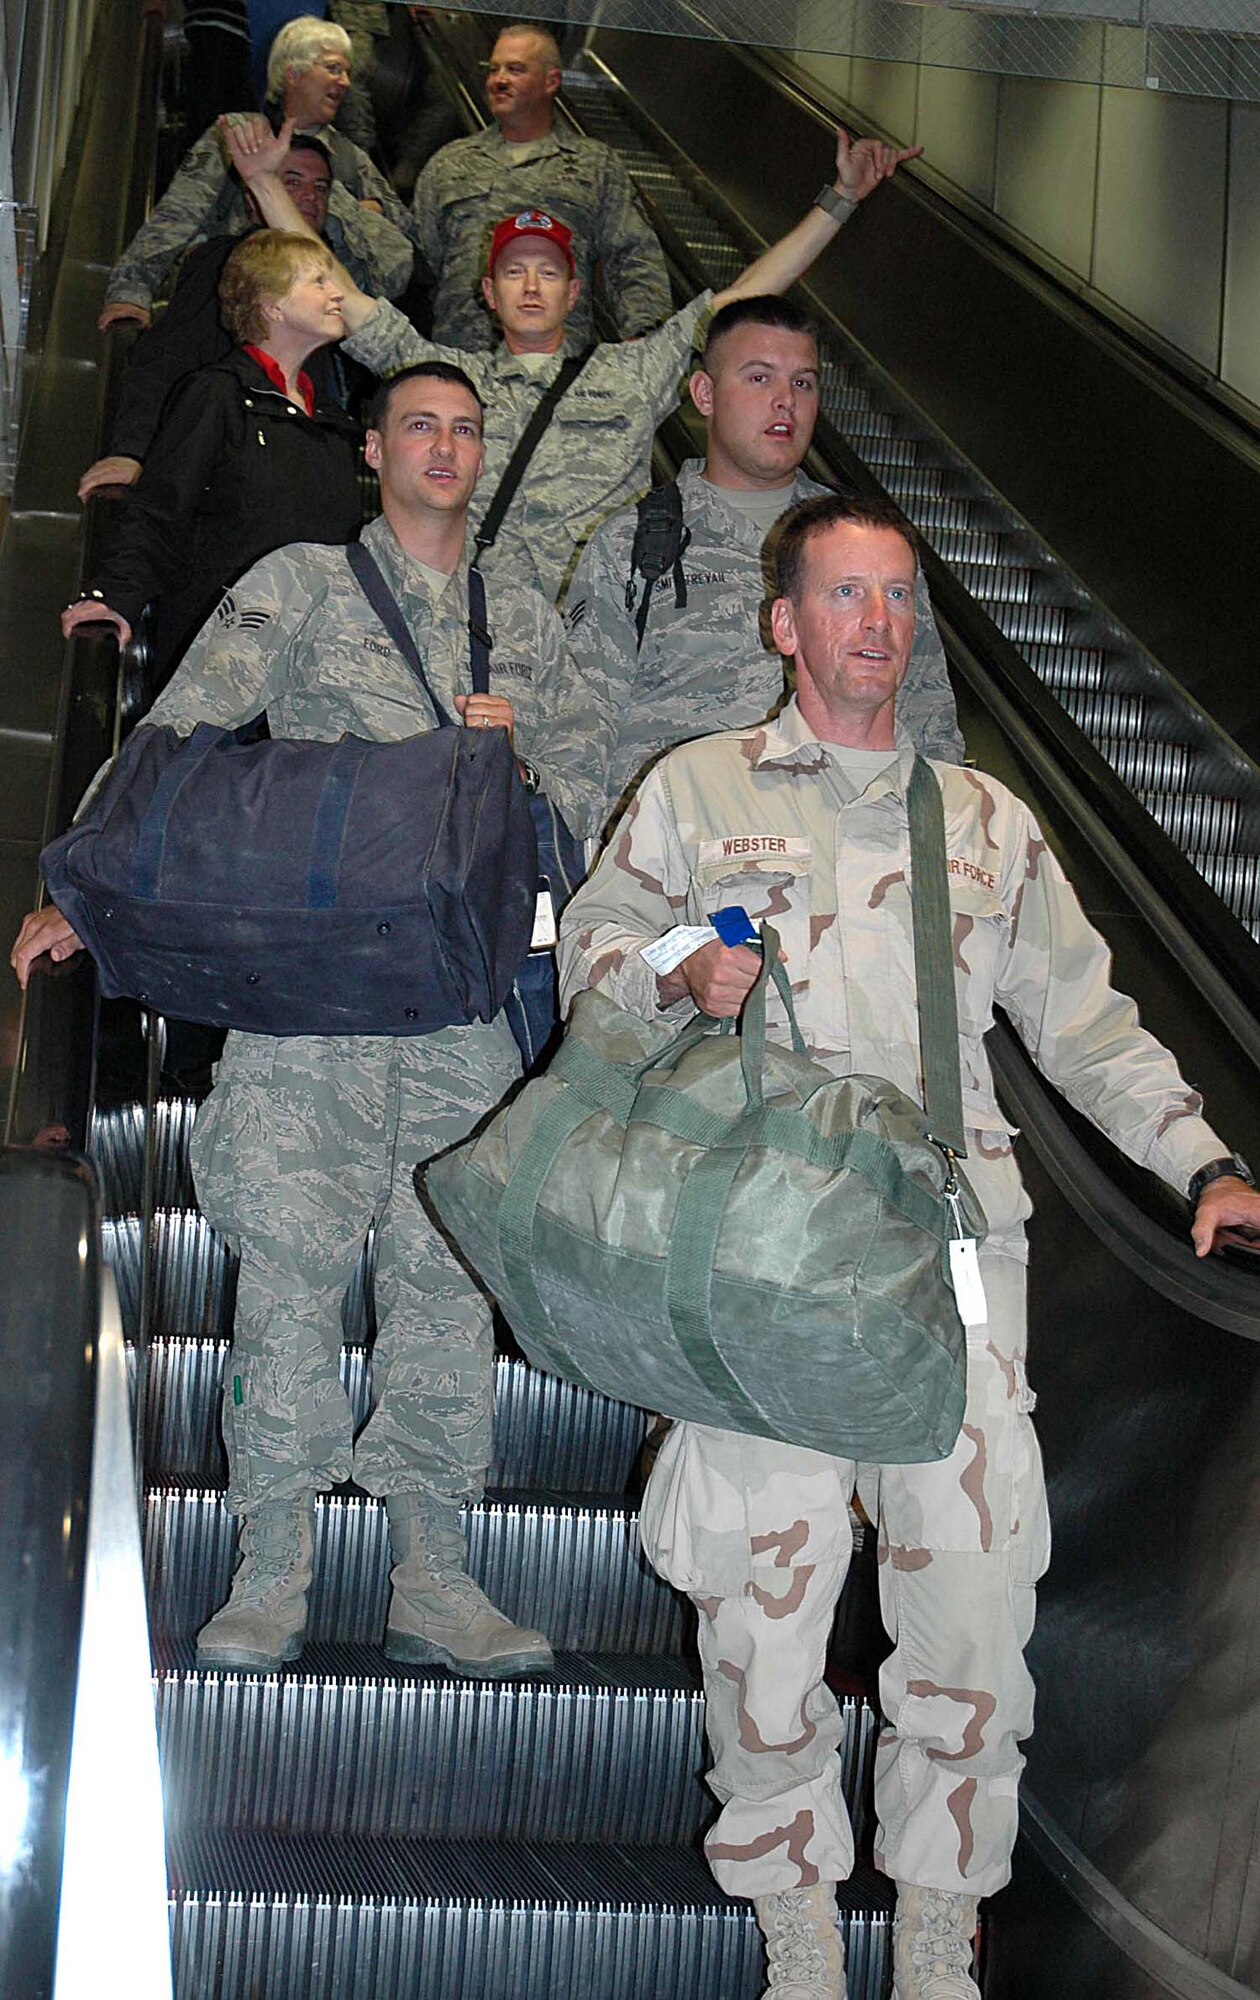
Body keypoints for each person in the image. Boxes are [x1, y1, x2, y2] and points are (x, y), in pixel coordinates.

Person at [554, 490, 1260, 2000]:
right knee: (761, 1617)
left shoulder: (987, 820)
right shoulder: (697, 788)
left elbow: (1086, 1023)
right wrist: (686, 964)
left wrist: (1202, 1158)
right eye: (845, 595)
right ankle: (797, 1930)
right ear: (784, 622)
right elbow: (591, 947)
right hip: (756, 1267)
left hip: (947, 1272)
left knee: (974, 1618)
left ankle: (940, 1930)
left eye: (895, 595)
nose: (876, 621)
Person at [15, 361, 608, 1681]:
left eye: (465, 430)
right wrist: (85, 887)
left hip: (459, 1010)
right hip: (307, 1004)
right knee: (284, 1275)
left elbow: (599, 792)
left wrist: (522, 762)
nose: (445, 449)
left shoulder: (521, 615)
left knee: (446, 1288)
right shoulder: (300, 583)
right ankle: (267, 1569)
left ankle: (434, 1575)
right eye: (420, 427)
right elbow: (178, 731)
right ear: (376, 452)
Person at [225, 110, 923, 605]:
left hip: (601, 634)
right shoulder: (448, 384)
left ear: (576, 291)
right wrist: (264, 185)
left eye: (550, 272)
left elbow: (745, 298)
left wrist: (842, 198)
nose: (532, 286)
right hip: (478, 621)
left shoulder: (630, 373)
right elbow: (340, 297)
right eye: (515, 273)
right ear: (487, 294)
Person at [564, 293, 964, 830]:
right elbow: (581, 729)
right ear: (704, 393)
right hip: (682, 854)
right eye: (759, 378)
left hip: (843, 852)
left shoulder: (870, 546)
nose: (785, 402)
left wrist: (941, 843)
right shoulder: (634, 543)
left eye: (803, 383)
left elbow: (926, 707)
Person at [64, 229, 363, 686]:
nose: (337, 293)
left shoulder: (330, 421)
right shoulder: (218, 394)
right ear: (272, 305)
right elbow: (163, 507)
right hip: (223, 662)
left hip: (312, 668)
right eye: (318, 281)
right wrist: (114, 595)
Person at [79, 137, 380, 502]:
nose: (310, 197)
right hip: (245, 482)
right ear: (254, 199)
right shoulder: (228, 264)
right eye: (292, 182)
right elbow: (169, 355)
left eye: (320, 187)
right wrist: (132, 451)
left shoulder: (336, 280)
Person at [100, 15, 418, 333]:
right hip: (242, 317)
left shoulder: (350, 157)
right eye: (333, 68)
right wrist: (131, 293)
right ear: (293, 73)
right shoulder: (239, 134)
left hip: (333, 328)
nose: (345, 82)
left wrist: (359, 211)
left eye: (347, 72)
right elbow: (177, 215)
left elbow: (405, 239)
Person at [411, 21, 671, 353]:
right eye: (494, 70)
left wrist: (644, 338)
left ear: (551, 81)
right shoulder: (449, 163)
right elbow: (420, 262)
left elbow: (634, 256)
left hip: (559, 369)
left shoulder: (594, 165)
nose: (499, 80)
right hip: (462, 366)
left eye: (515, 69)